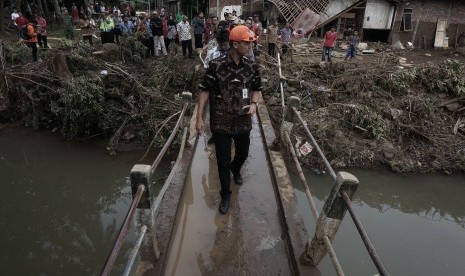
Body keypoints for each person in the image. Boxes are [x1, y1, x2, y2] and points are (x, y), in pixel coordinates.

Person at [196, 25, 262, 215]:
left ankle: (236, 168)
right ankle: (225, 194)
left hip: (243, 120)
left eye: (251, 42)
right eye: (246, 42)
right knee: (222, 162)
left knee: (242, 153)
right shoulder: (215, 65)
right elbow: (204, 90)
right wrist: (199, 118)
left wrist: (254, 104)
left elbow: (257, 89)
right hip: (221, 122)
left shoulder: (251, 66)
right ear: (235, 44)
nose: (250, 45)